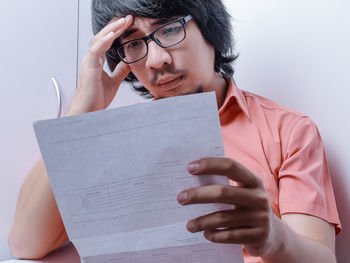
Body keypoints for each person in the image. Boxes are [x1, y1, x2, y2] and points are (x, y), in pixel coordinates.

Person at [9, 0, 341, 262]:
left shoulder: (289, 131)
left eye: (168, 30)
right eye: (133, 44)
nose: (155, 60)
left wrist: (275, 238)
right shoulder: (114, 138)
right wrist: (83, 109)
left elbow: (322, 258)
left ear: (210, 28)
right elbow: (25, 244)